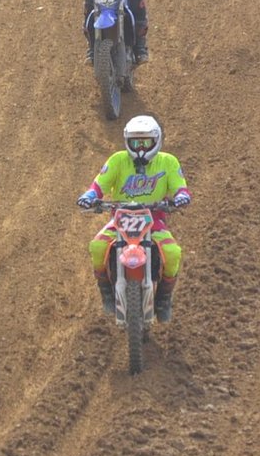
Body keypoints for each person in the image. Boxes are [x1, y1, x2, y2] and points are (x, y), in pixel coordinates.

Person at [77, 114, 192, 322]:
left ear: (156, 140)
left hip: (153, 220)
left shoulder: (168, 162)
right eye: (135, 142)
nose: (140, 148)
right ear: (127, 141)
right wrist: (89, 197)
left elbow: (180, 188)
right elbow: (98, 186)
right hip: (120, 220)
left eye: (145, 142)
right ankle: (106, 291)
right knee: (98, 246)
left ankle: (164, 299)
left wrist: (181, 197)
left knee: (172, 253)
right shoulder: (117, 160)